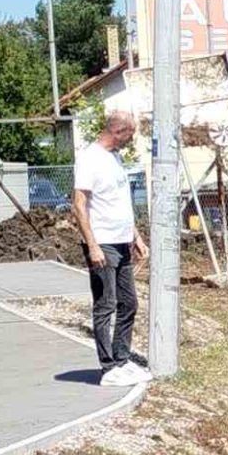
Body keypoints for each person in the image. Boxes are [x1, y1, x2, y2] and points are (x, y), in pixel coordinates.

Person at [73, 112, 151, 387]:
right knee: (105, 305)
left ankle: (122, 359)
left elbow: (120, 202)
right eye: (130, 135)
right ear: (118, 131)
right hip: (102, 243)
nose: (130, 141)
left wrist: (136, 237)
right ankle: (108, 368)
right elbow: (79, 203)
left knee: (128, 302)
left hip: (122, 241)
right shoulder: (89, 158)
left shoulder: (114, 157)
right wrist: (92, 245)